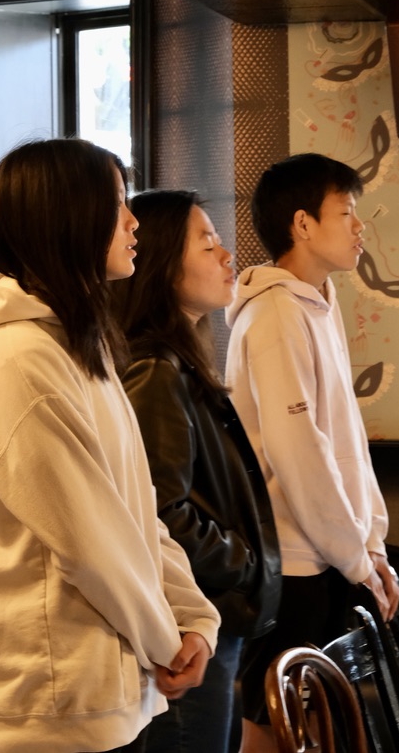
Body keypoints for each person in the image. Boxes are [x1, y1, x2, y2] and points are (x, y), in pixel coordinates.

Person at [0, 139, 220, 753]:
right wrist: (166, 641)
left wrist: (193, 617)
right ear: (65, 217)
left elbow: (135, 513)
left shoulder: (76, 345)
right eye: (117, 202)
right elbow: (91, 542)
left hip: (107, 686)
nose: (133, 221)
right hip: (56, 701)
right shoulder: (18, 357)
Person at [224, 152, 399, 753]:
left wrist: (370, 543)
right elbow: (300, 451)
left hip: (331, 553)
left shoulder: (317, 301)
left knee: (322, 724)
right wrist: (356, 556)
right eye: (346, 213)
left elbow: (346, 439)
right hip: (296, 559)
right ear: (302, 224)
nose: (359, 227)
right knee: (277, 726)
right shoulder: (275, 313)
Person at [113, 189, 281, 753]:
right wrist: (243, 560)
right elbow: (160, 512)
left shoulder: (178, 364)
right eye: (207, 244)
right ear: (162, 263)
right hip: (186, 619)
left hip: (205, 614)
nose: (227, 255)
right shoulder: (155, 372)